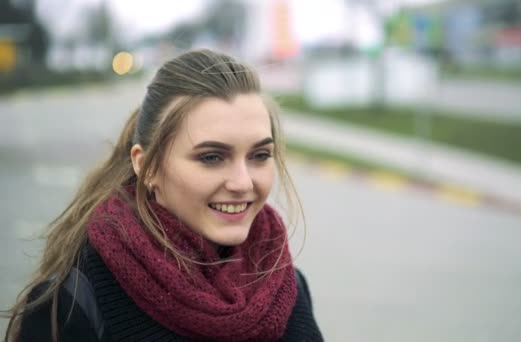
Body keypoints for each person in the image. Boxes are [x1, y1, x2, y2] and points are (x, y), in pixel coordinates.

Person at [3, 49, 323, 342]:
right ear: (147, 166)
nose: (243, 182)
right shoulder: (74, 303)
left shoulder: (287, 288)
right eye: (211, 157)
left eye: (260, 155)